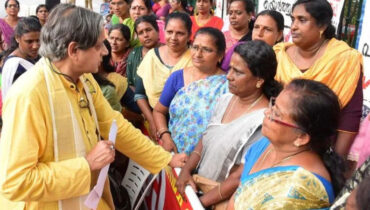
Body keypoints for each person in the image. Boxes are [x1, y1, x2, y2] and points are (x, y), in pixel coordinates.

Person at [0, 4, 187, 210]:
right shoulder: (28, 95)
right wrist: (87, 166)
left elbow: (116, 126)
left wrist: (167, 159)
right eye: (99, 45)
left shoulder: (85, 79)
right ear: (73, 50)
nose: (106, 51)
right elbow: (16, 182)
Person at [176, 41, 282, 208]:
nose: (228, 76)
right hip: (197, 190)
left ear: (259, 80)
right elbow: (205, 139)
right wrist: (186, 171)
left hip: (219, 201)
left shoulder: (263, 121)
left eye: (238, 72)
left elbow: (239, 176)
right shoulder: (226, 99)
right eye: (230, 68)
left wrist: (199, 203)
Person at [228, 79, 345, 209]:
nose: (267, 112)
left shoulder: (301, 188)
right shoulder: (266, 144)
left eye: (276, 114)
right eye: (273, 104)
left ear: (301, 137)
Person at [274, 0, 363, 158]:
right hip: (274, 142)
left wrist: (336, 162)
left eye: (302, 20)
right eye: (292, 19)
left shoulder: (344, 59)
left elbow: (350, 114)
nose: (293, 26)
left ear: (322, 26)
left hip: (318, 151)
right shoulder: (279, 55)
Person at [153, 27, 228, 154]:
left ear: (220, 55)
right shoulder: (177, 77)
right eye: (195, 47)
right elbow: (159, 111)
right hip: (174, 152)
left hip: (209, 157)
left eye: (207, 50)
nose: (198, 54)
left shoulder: (227, 84)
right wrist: (165, 136)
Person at [136, 12, 192, 139]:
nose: (173, 37)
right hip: (153, 123)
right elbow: (139, 94)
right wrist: (152, 121)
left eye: (180, 33)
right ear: (164, 31)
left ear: (189, 35)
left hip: (185, 127)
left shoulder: (195, 60)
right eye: (169, 32)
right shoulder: (151, 56)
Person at [1, 17, 41, 99]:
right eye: (29, 41)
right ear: (17, 38)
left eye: (38, 40)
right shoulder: (16, 67)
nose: (35, 46)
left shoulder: (27, 58)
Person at [127, 15, 161, 90]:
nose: (145, 35)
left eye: (148, 30)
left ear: (157, 30)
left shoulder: (168, 51)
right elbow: (131, 84)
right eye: (141, 33)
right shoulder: (134, 54)